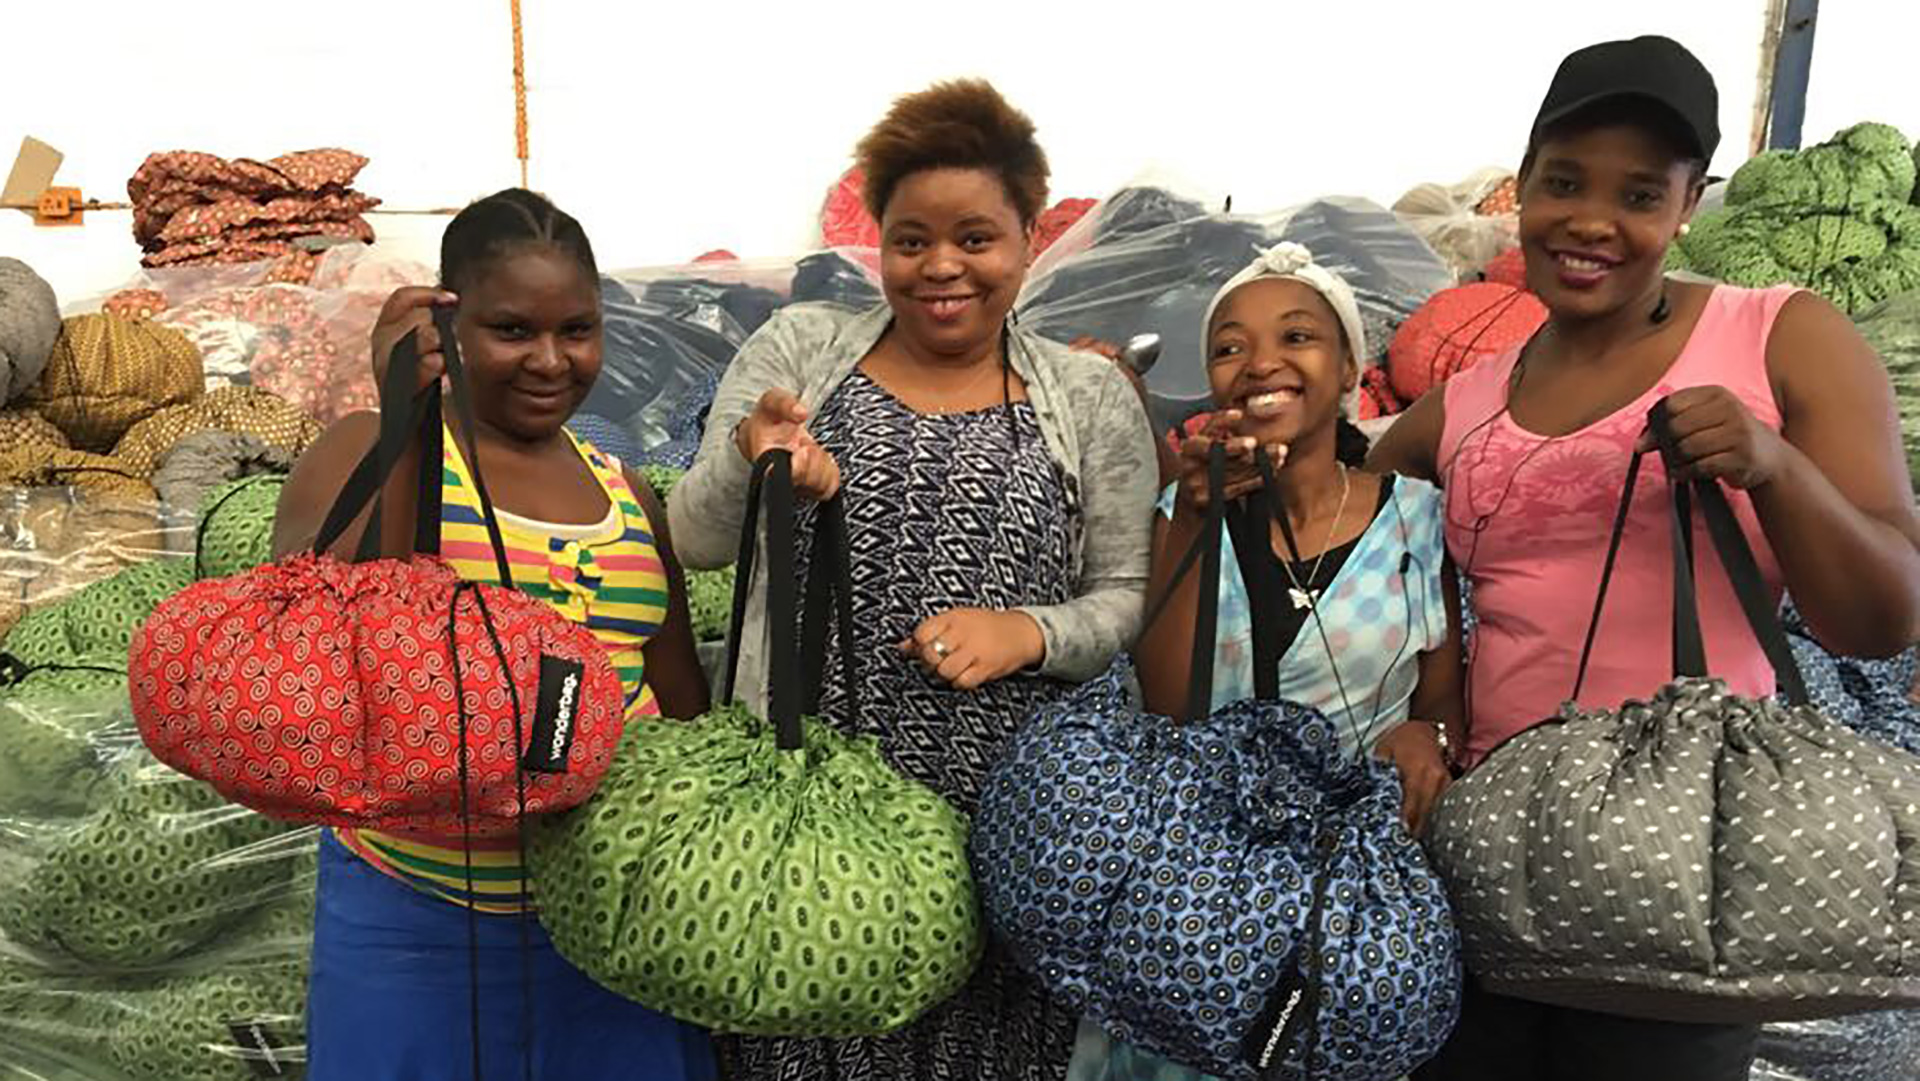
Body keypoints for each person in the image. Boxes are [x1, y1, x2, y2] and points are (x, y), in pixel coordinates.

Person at [1366, 35, 1920, 1081]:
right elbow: (1361, 521)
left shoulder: (1781, 336)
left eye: (1638, 193)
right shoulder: (1473, 399)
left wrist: (1776, 470)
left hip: (1686, 880)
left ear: (1690, 202)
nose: (1591, 222)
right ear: (1519, 190)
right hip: (1483, 856)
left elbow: (1885, 616)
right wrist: (1422, 713)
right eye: (1564, 182)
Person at [668, 79, 1160, 1081]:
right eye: (911, 239)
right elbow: (697, 535)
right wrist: (755, 459)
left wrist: (1028, 633)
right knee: (810, 1038)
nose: (942, 267)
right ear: (879, 242)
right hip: (811, 816)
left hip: (1005, 823)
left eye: (975, 237)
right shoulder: (804, 351)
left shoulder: (1087, 396)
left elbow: (1122, 597)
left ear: (1028, 237)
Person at [271, 189, 716, 1081]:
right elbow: (322, 635)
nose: (550, 360)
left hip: (606, 923)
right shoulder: (366, 445)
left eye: (577, 330)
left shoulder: (628, 490)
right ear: (447, 321)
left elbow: (683, 705)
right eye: (512, 329)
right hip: (416, 916)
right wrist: (401, 412)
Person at [1070, 242, 1464, 1081]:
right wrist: (1197, 524)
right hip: (1200, 904)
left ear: (1351, 363)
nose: (1261, 364)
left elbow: (1443, 701)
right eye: (1228, 347)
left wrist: (1426, 736)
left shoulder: (1416, 521)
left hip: (1347, 910)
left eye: (1297, 336)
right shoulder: (1181, 510)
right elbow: (1169, 707)